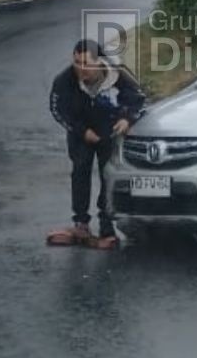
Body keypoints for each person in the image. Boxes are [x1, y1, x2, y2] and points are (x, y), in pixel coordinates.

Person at [48, 39, 146, 248]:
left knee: (107, 174)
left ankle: (107, 221)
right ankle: (81, 221)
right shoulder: (64, 80)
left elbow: (138, 97)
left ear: (99, 62)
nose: (80, 68)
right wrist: (82, 131)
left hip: (109, 131)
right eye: (76, 62)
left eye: (85, 63)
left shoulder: (119, 74)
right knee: (80, 170)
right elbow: (58, 110)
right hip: (80, 132)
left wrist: (127, 118)